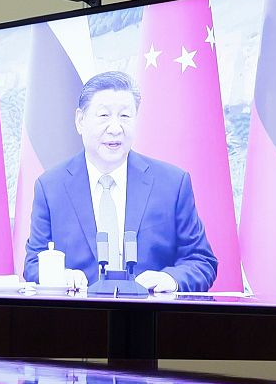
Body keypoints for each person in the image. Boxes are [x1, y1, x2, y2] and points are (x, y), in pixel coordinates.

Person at [23, 71, 217, 293]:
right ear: (80, 120)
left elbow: (201, 261)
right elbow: (33, 265)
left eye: (125, 116)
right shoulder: (51, 188)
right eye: (104, 116)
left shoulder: (172, 184)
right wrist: (59, 276)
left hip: (150, 319)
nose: (115, 128)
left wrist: (170, 279)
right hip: (78, 321)